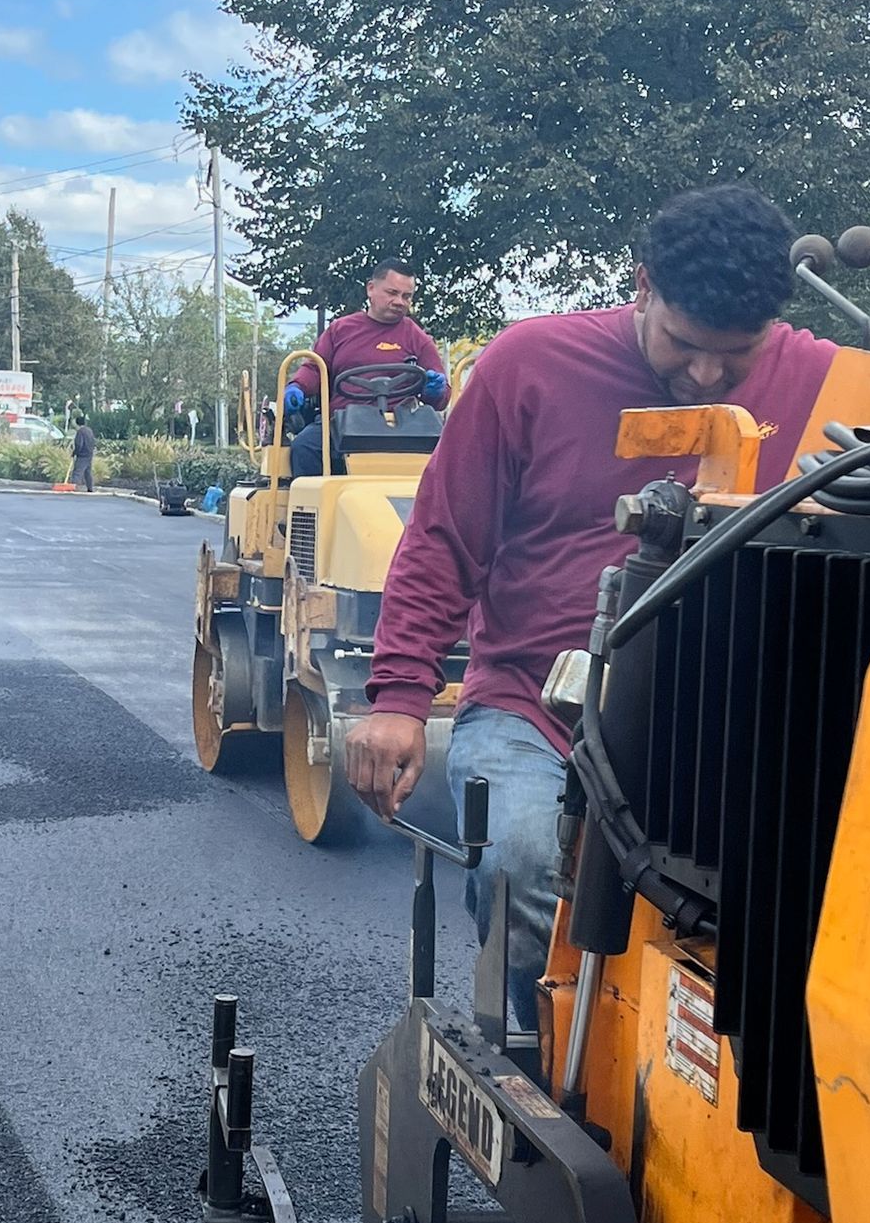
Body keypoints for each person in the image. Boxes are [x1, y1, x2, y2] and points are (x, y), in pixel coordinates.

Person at [345, 185, 839, 1031]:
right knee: (525, 861)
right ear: (641, 284)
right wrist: (397, 699)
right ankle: (562, 1085)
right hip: (536, 707)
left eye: (739, 354)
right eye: (685, 345)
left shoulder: (828, 382)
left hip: (726, 724)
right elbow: (443, 539)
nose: (709, 376)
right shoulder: (528, 365)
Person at [285, 259, 449, 478]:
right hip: (342, 423)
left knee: (450, 455)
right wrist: (297, 387)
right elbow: (316, 368)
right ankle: (313, 511)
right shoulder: (340, 330)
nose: (399, 301)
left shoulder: (418, 338)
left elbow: (441, 398)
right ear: (371, 288)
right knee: (304, 447)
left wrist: (435, 390)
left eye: (406, 296)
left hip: (401, 427)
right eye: (392, 292)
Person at [71, 415, 96, 491]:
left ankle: (73, 487)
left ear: (77, 423)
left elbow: (79, 444)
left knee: (77, 472)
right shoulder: (89, 430)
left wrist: (75, 452)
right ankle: (90, 488)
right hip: (89, 454)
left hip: (82, 455)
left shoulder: (80, 432)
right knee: (87, 472)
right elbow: (93, 441)